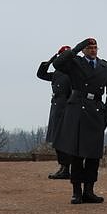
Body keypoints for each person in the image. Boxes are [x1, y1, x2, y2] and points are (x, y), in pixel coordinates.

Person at [53, 37, 107, 204]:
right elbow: (58, 64)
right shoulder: (75, 63)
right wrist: (77, 47)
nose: (93, 50)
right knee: (76, 154)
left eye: (95, 47)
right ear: (83, 50)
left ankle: (89, 190)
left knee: (93, 155)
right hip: (77, 110)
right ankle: (77, 192)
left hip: (96, 112)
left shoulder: (105, 67)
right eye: (89, 48)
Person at [37, 45, 73, 179]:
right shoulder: (57, 73)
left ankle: (67, 167)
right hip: (57, 108)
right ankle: (63, 167)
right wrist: (49, 62)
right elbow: (41, 74)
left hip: (68, 108)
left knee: (67, 141)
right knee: (57, 140)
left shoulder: (74, 72)